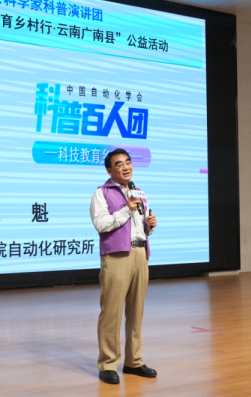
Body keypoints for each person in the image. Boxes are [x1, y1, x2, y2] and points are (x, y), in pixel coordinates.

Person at [89, 148, 158, 385]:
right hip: (117, 255)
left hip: (140, 253)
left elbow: (139, 227)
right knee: (112, 312)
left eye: (128, 162)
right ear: (110, 170)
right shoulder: (101, 193)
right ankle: (108, 364)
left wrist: (150, 225)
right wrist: (126, 209)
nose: (126, 167)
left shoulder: (139, 193)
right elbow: (101, 224)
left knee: (136, 311)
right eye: (119, 164)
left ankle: (133, 361)